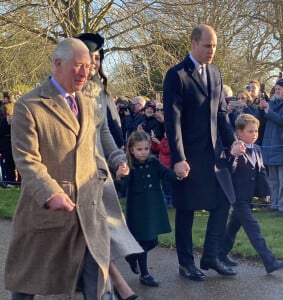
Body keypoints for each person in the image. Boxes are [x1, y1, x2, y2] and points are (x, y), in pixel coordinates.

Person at [5, 38, 112, 300]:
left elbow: (92, 148)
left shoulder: (87, 103)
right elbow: (26, 159)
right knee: (29, 279)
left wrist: (103, 171)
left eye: (88, 66)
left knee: (93, 277)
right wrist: (50, 193)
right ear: (58, 63)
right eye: (78, 66)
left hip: (87, 209)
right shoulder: (29, 106)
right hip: (46, 211)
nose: (85, 73)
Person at [163, 24, 241, 281]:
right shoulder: (177, 75)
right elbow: (172, 121)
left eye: (215, 46)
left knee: (223, 201)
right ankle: (186, 263)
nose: (212, 51)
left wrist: (231, 142)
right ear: (194, 43)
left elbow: (221, 114)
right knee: (186, 209)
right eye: (207, 45)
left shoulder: (216, 73)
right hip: (188, 156)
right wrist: (178, 158)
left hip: (215, 155)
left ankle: (211, 256)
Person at [76, 32, 143, 300]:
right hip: (78, 174)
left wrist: (118, 160)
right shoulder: (71, 91)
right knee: (94, 232)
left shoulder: (97, 92)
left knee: (100, 231)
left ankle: (105, 286)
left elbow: (103, 133)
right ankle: (113, 287)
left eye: (97, 58)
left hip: (99, 171)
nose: (93, 63)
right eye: (89, 58)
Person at [219, 114, 283, 273]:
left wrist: (265, 192)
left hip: (248, 196)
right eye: (250, 131)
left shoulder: (257, 148)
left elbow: (261, 171)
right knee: (253, 227)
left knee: (233, 227)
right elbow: (230, 169)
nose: (255, 134)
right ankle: (269, 261)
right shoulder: (235, 148)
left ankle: (221, 253)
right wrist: (234, 155)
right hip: (237, 197)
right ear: (239, 132)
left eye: (256, 131)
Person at [119, 131, 184, 287]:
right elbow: (122, 186)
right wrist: (121, 176)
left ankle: (132, 256)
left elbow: (166, 174)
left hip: (154, 206)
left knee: (153, 240)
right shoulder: (129, 166)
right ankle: (145, 274)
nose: (143, 152)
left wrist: (179, 175)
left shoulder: (154, 162)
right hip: (138, 210)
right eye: (140, 149)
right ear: (132, 150)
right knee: (143, 240)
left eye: (146, 148)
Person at [257, 78, 283, 217]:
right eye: (276, 88)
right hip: (269, 145)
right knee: (272, 179)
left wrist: (269, 111)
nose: (277, 91)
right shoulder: (272, 102)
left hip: (282, 145)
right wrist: (261, 109)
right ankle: (274, 205)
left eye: (280, 89)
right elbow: (260, 120)